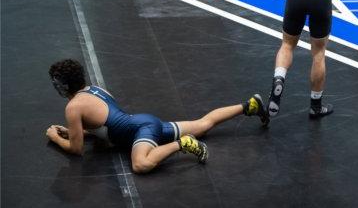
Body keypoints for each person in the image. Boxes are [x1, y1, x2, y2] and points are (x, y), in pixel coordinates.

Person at [45, 59, 268, 174]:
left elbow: (76, 150)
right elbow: (105, 125)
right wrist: (78, 132)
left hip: (141, 132)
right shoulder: (94, 89)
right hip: (144, 123)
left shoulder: (73, 107)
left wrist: (55, 137)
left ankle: (183, 144)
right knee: (203, 123)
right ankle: (249, 105)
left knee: (141, 164)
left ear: (62, 85)